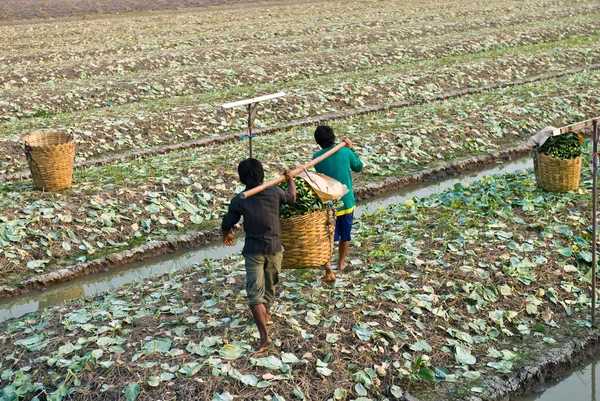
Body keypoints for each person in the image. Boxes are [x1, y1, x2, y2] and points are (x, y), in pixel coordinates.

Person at [221, 158, 296, 352]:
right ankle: (265, 330)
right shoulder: (275, 192)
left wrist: (226, 234)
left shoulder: (240, 199)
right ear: (262, 175)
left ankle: (264, 328)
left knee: (256, 292)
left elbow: (227, 221)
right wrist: (290, 179)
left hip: (254, 250)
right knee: (268, 288)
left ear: (241, 178)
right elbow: (292, 198)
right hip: (274, 248)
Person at [312, 125, 363, 280]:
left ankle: (327, 264)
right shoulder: (345, 152)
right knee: (345, 235)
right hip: (346, 202)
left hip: (330, 203)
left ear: (318, 142)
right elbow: (358, 167)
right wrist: (351, 147)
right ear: (334, 137)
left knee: (328, 236)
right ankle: (341, 263)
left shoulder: (316, 158)